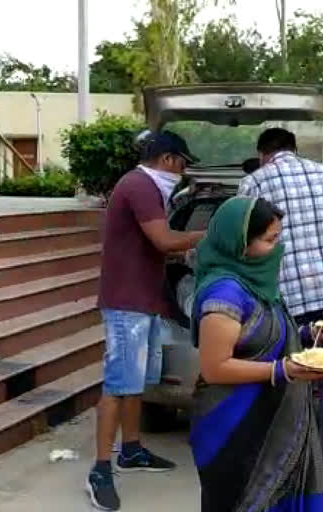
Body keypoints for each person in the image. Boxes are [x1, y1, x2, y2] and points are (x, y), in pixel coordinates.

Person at [189, 197, 323, 512]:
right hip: (235, 428)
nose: (278, 249)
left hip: (274, 419)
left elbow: (264, 335)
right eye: (270, 241)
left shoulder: (256, 284)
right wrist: (282, 371)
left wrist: (311, 334)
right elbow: (215, 368)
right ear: (240, 245)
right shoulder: (223, 294)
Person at [237, 127, 323, 500]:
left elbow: (244, 239)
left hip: (290, 298)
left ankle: (291, 480)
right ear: (294, 148)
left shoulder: (253, 183)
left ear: (263, 154)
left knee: (287, 385)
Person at [89, 131, 205, 511]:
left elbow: (153, 247)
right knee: (118, 384)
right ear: (170, 159)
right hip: (127, 303)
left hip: (143, 300)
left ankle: (132, 449)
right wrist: (209, 235)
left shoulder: (148, 188)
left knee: (136, 381)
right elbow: (163, 240)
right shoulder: (139, 185)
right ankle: (101, 469)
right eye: (184, 164)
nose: (184, 172)